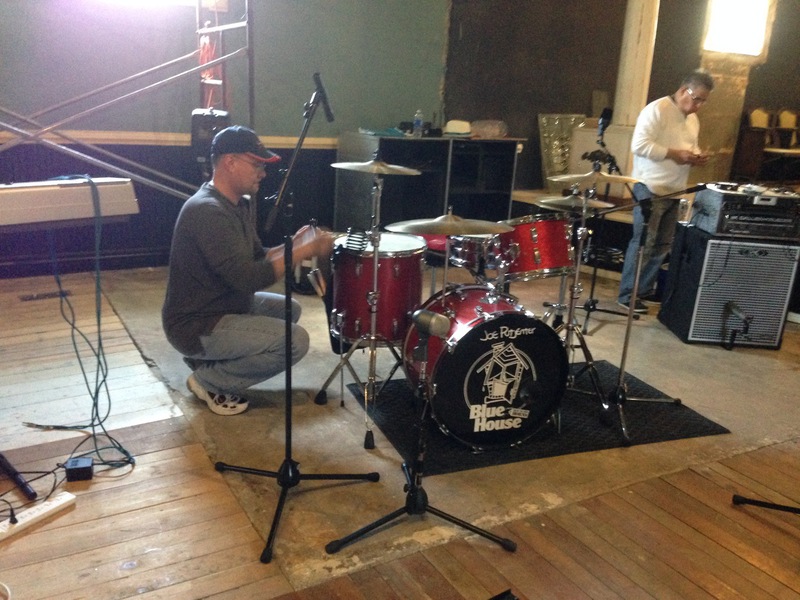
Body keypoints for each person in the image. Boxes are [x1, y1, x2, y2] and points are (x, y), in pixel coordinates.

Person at [162, 125, 334, 415]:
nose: (263, 173)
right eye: (256, 164)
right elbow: (247, 278)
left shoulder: (232, 204)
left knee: (289, 310)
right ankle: (208, 380)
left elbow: (257, 256)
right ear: (230, 162)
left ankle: (209, 363)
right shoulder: (208, 211)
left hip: (219, 306)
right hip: (195, 325)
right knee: (295, 340)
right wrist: (303, 251)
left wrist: (295, 243)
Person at [617, 69, 714, 313]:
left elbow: (689, 146)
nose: (698, 106)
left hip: (675, 190)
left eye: (703, 101)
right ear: (683, 90)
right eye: (696, 99)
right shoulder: (657, 109)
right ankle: (627, 294)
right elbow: (639, 146)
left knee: (662, 245)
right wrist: (675, 154)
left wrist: (696, 156)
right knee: (644, 243)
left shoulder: (693, 120)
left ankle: (643, 291)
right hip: (650, 188)